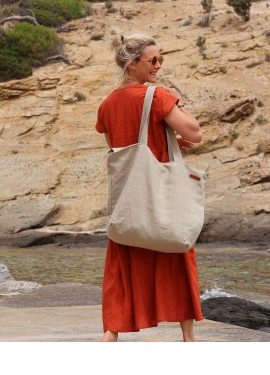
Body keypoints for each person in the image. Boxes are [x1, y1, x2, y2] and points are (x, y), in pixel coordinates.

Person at [95, 33, 203, 342]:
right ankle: (188, 338)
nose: (157, 65)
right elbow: (195, 133)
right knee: (178, 254)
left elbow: (120, 146)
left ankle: (111, 335)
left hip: (129, 199)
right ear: (132, 64)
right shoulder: (156, 96)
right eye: (152, 60)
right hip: (160, 196)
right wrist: (175, 101)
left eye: (160, 59)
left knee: (123, 265)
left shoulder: (107, 104)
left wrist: (168, 138)